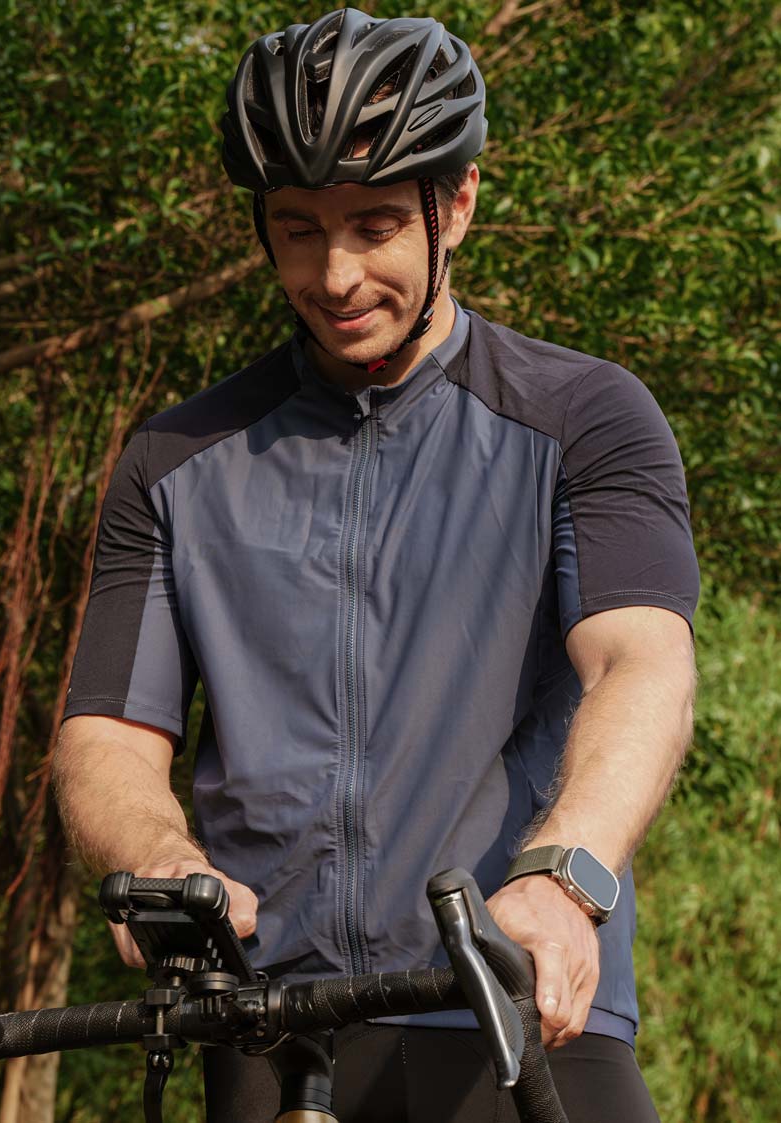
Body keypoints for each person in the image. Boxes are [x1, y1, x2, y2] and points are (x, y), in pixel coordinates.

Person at [53, 9, 698, 1122]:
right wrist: (157, 853)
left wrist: (567, 871)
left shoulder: (585, 417)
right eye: (299, 229)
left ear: (459, 204)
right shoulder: (174, 459)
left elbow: (642, 664)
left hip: (513, 1001)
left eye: (376, 224)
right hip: (269, 1025)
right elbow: (106, 731)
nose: (337, 274)